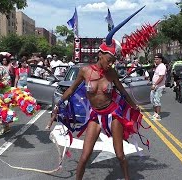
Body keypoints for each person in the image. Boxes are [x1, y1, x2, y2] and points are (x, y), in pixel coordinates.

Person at [51, 7, 148, 180]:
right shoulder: (84, 71)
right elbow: (71, 90)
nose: (111, 64)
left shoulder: (111, 73)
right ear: (100, 55)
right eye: (109, 60)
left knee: (120, 155)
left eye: (113, 61)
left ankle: (127, 177)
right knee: (84, 156)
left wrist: (134, 106)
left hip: (113, 114)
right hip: (95, 116)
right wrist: (58, 104)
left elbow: (123, 91)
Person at [150, 53, 167, 120]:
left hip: (159, 86)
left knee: (157, 101)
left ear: (160, 60)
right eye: (155, 59)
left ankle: (158, 115)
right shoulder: (158, 66)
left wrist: (155, 84)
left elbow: (161, 77)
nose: (155, 60)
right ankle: (155, 113)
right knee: (153, 100)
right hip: (155, 86)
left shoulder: (162, 66)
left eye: (157, 59)